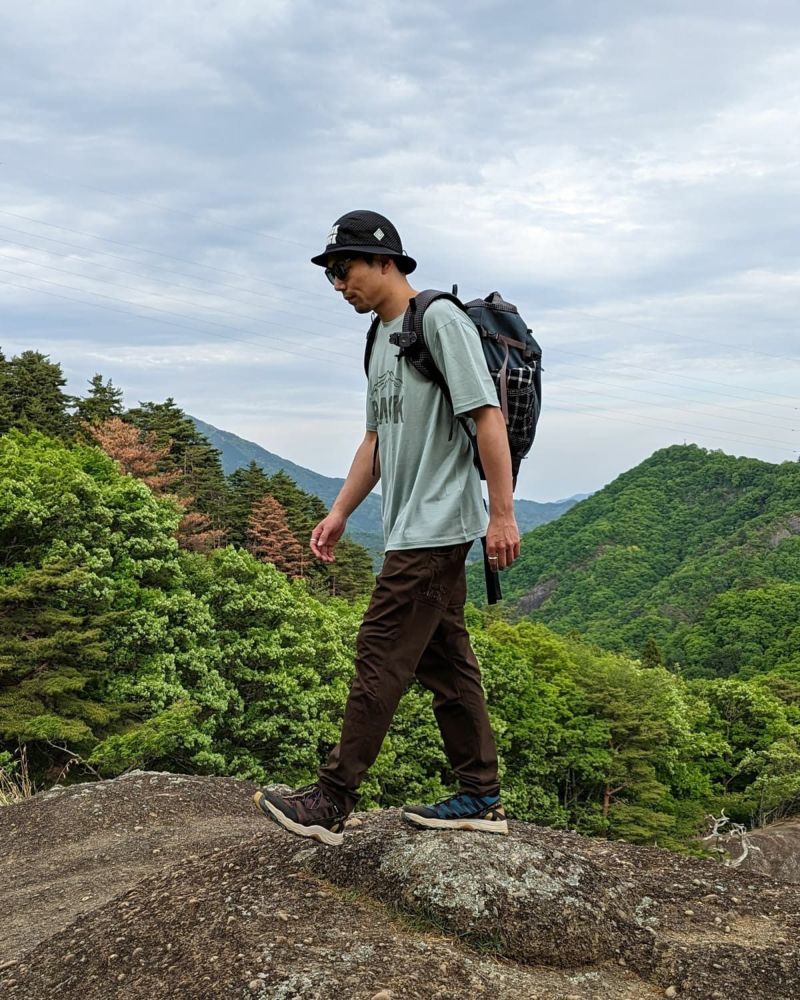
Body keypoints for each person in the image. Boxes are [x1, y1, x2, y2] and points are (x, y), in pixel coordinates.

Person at [253, 210, 520, 845]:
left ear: (384, 262)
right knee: (445, 659)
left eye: (344, 270)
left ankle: (333, 798)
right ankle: (480, 792)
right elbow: (377, 438)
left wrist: (503, 514)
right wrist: (340, 511)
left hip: (438, 525)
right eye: (331, 276)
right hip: (407, 526)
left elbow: (487, 419)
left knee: (379, 651)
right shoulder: (379, 337)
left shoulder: (440, 321)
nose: (339, 284)